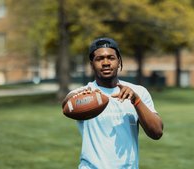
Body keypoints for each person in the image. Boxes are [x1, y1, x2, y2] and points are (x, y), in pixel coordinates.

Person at [62, 37, 163, 168]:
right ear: (91, 64)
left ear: (119, 61)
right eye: (99, 59)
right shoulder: (85, 93)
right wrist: (69, 98)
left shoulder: (138, 92)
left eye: (111, 58)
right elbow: (67, 104)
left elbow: (157, 132)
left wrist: (136, 101)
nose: (106, 62)